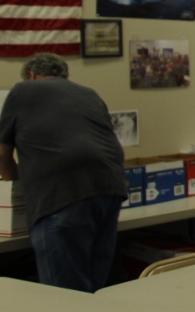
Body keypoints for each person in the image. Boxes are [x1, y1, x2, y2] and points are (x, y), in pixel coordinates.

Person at [0, 53, 125, 292]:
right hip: (110, 190)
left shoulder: (22, 91)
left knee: (63, 294)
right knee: (95, 287)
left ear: (31, 75)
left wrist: (12, 188)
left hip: (61, 196)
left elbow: (2, 155)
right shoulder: (89, 93)